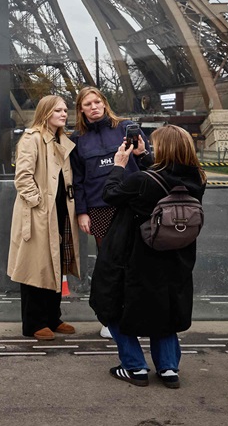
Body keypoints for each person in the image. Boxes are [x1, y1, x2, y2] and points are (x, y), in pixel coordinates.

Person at [88, 124, 206, 389]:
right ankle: (168, 369)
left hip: (136, 256)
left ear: (164, 149)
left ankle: (134, 367)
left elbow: (110, 194)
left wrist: (119, 165)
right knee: (163, 309)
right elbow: (166, 178)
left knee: (112, 304)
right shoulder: (197, 179)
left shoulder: (140, 181)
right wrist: (143, 158)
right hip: (176, 257)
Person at [70, 85, 147, 339]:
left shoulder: (126, 128)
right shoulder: (77, 140)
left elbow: (148, 164)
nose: (93, 107)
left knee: (136, 261)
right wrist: (82, 212)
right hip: (99, 208)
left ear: (104, 103)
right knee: (108, 265)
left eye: (97, 102)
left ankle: (137, 313)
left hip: (131, 204)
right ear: (80, 110)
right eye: (87, 104)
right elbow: (78, 180)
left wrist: (143, 152)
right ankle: (111, 317)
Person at [6, 94, 81, 340]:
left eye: (65, 110)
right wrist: (38, 202)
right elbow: (23, 177)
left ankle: (52, 317)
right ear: (46, 112)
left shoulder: (62, 139)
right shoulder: (32, 139)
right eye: (58, 110)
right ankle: (34, 323)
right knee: (34, 266)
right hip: (38, 213)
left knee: (55, 265)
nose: (64, 113)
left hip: (59, 210)